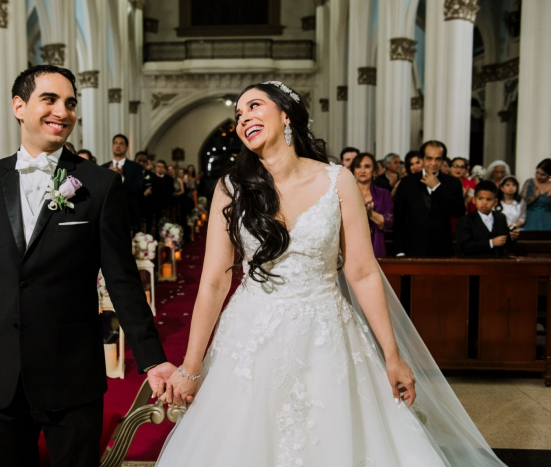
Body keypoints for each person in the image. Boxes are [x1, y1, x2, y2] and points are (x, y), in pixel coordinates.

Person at [154, 82, 506, 467]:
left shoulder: (338, 180)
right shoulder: (232, 187)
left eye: (254, 106)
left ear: (286, 115)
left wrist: (392, 355)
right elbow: (214, 281)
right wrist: (191, 367)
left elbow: (363, 272)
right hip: (251, 336)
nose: (243, 119)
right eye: (238, 115)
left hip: (326, 336)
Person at [0, 65, 174, 467]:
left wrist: (153, 359)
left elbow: (121, 279)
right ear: (19, 106)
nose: (62, 111)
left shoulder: (99, 185)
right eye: (49, 100)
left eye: (70, 103)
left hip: (71, 375)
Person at [393, 141, 466, 256]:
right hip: (412, 248)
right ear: (421, 159)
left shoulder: (453, 183)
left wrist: (438, 187)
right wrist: (399, 251)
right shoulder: (407, 183)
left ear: (443, 160)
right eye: (429, 158)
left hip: (442, 249)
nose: (433, 163)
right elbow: (399, 219)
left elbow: (459, 211)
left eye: (438, 159)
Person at [456, 181, 518, 257]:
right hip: (477, 264)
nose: (484, 203)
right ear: (474, 200)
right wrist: (491, 242)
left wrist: (512, 236)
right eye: (480, 198)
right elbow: (464, 246)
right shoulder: (465, 220)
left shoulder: (501, 217)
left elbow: (503, 241)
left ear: (495, 201)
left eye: (488, 199)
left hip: (500, 263)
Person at [350, 153, 393, 258]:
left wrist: (369, 212)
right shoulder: (345, 193)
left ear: (374, 171)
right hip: (350, 243)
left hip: (375, 242)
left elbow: (388, 221)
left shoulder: (384, 194)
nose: (362, 170)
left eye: (367, 166)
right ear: (353, 171)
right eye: (358, 166)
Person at [100, 134, 144, 233]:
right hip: (108, 214)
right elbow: (100, 191)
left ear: (126, 147)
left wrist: (122, 177)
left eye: (121, 143)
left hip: (129, 213)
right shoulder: (103, 167)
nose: (118, 146)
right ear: (112, 146)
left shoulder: (135, 167)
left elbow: (137, 189)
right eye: (115, 143)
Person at [521, 158, 551, 230]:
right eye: (537, 172)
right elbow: (521, 204)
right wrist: (533, 198)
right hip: (531, 218)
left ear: (549, 175)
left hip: (547, 219)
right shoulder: (529, 182)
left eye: (542, 175)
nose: (538, 176)